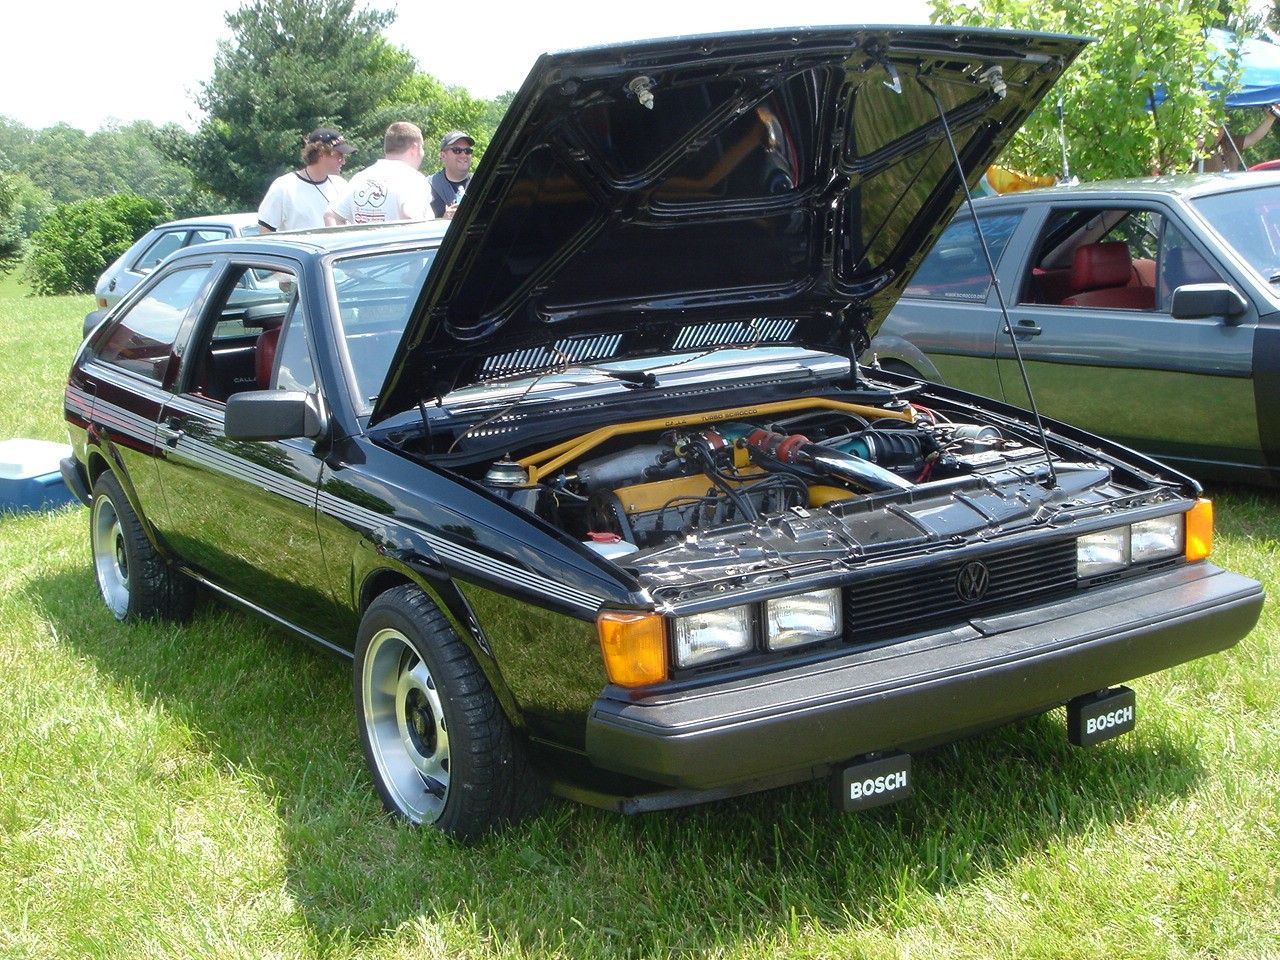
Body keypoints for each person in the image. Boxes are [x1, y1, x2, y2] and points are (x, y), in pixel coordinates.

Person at [325, 121, 433, 225]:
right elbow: (412, 217)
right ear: (414, 148)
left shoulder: (360, 178)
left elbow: (330, 215)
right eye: (422, 147)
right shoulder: (414, 180)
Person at [257, 128, 355, 232]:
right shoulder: (284, 187)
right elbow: (265, 233)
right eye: (339, 155)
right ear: (321, 153)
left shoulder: (342, 185)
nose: (343, 161)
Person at [1195, 104, 1280, 172]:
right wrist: (1195, 147)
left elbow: (1253, 138)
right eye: (1213, 128)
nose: (1218, 132)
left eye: (1221, 128)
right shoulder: (1196, 146)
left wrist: (1271, 118)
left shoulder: (1229, 143)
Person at [429, 131, 474, 219]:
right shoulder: (427, 186)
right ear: (443, 155)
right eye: (457, 151)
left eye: (467, 151)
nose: (463, 155)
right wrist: (444, 220)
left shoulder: (481, 184)